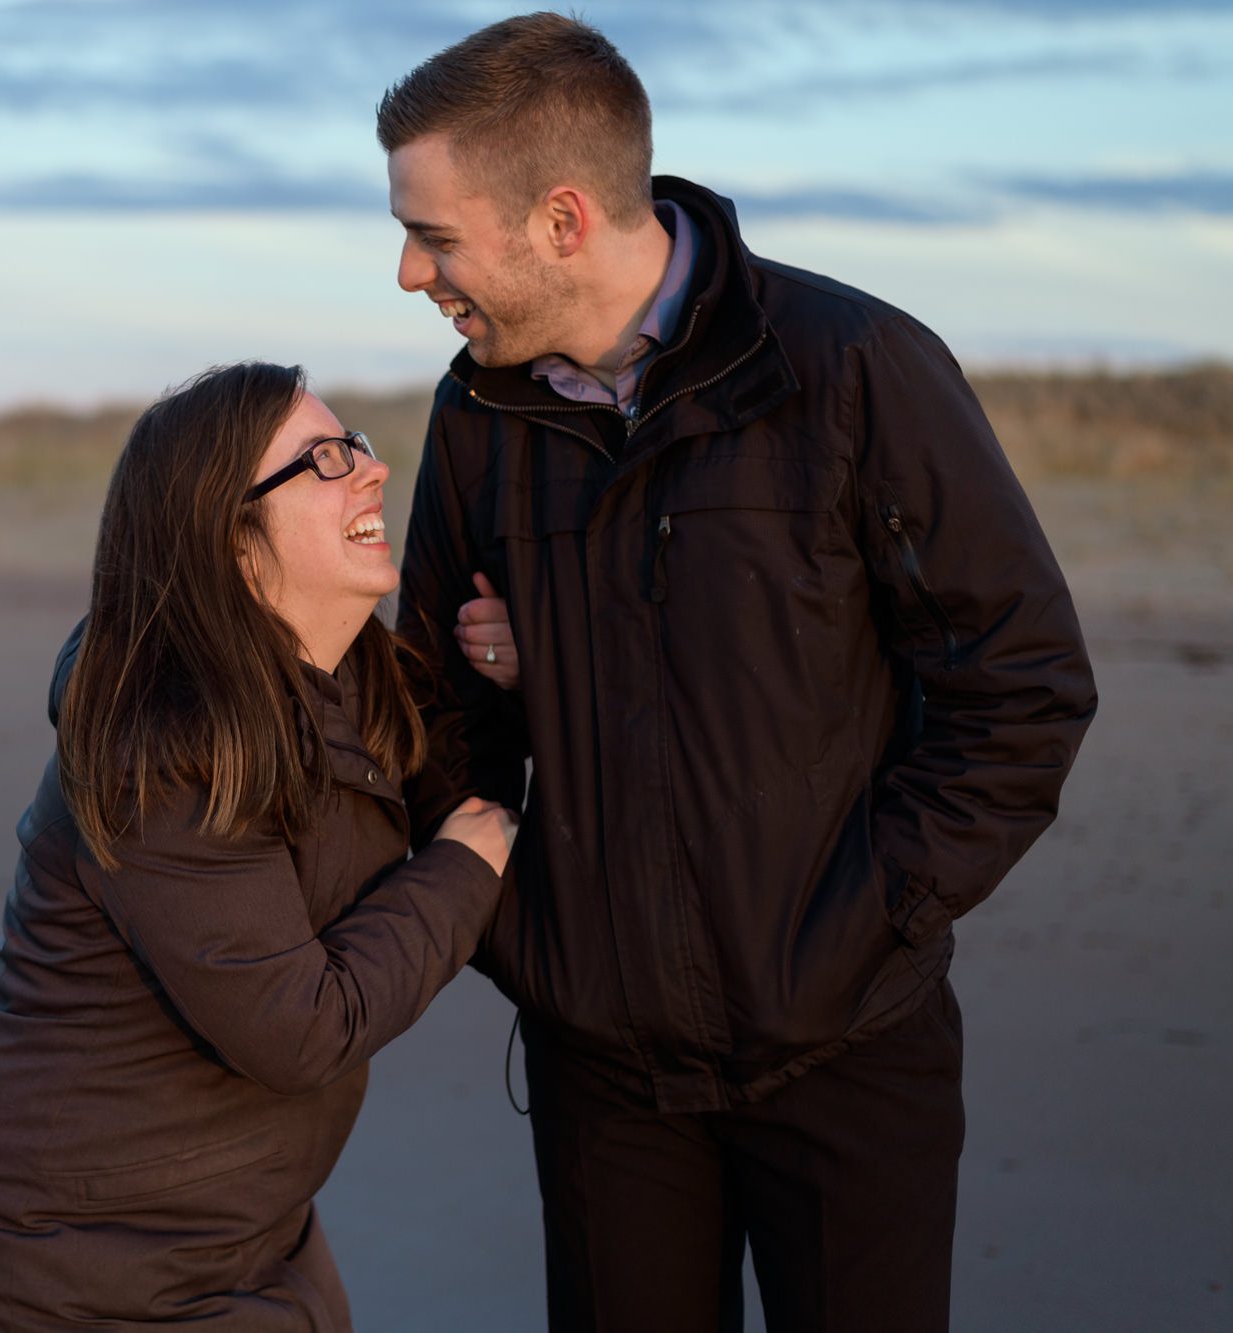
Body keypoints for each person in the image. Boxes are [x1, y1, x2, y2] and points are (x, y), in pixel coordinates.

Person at [378, 15, 1098, 1332]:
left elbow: (1023, 681)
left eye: (433, 235)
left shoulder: (849, 369)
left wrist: (863, 919)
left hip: (849, 1048)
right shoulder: (479, 413)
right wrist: (524, 931)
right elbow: (430, 701)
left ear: (561, 218)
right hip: (601, 1069)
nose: (409, 274)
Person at [0, 361, 516, 1330]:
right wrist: (463, 862)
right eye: (322, 460)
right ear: (233, 539)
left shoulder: (358, 673)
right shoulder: (166, 746)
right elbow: (297, 1026)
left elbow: (461, 760)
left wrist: (509, 666)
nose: (370, 468)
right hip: (64, 1259)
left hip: (242, 1233)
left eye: (352, 441)